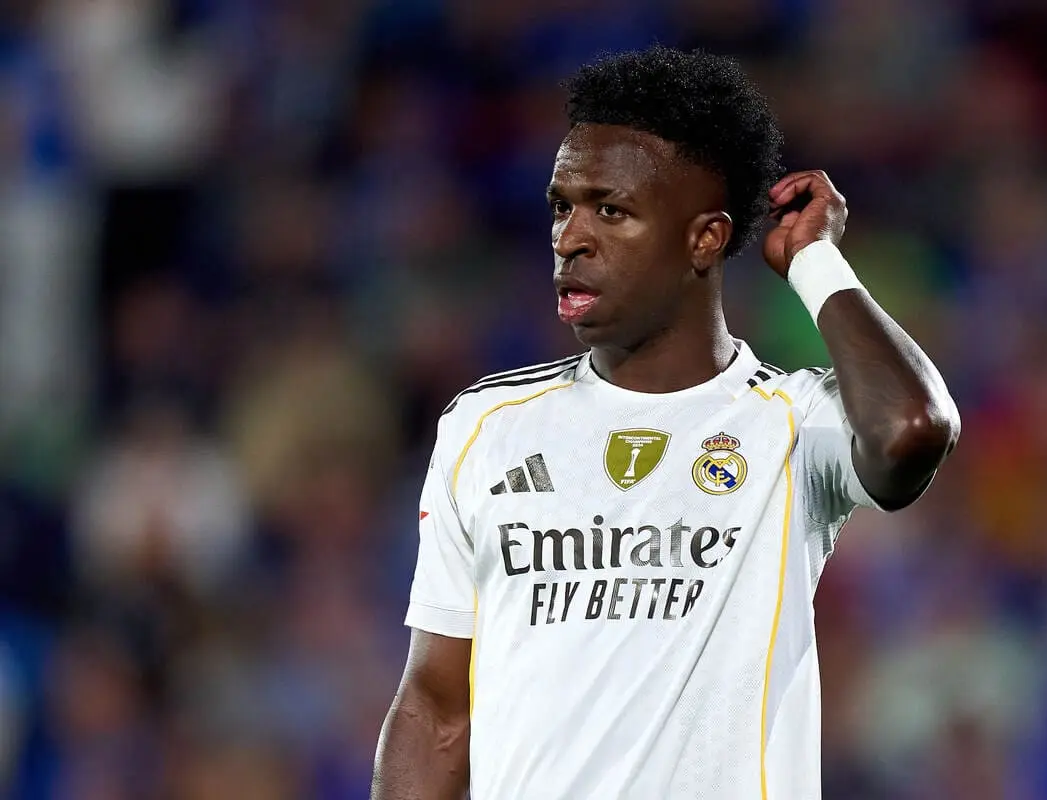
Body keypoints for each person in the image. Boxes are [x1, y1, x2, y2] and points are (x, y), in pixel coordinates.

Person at [371, 45, 959, 799]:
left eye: (611, 210)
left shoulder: (792, 424)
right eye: (562, 205)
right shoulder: (486, 428)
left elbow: (912, 427)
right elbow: (435, 708)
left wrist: (815, 262)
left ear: (704, 238)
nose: (570, 237)